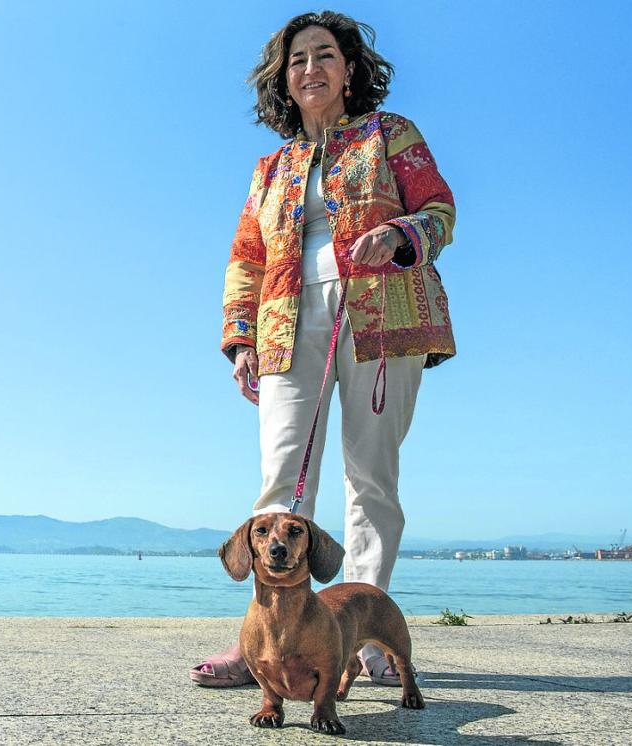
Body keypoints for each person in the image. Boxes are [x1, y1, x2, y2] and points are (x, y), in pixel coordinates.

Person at [190, 10, 456, 687]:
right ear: (285, 78)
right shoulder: (270, 167)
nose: (312, 68)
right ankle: (266, 646)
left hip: (383, 314)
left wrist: (400, 235)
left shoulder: (391, 135)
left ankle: (362, 635)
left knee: (371, 477)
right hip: (286, 324)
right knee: (282, 483)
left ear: (350, 70)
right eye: (299, 59)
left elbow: (438, 210)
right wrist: (240, 337)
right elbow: (246, 257)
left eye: (326, 55)